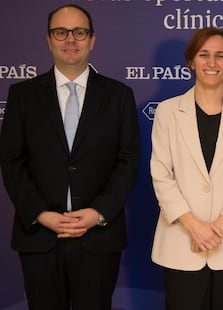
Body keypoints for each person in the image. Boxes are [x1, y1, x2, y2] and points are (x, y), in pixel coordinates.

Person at [0, 4, 140, 310]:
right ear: (49, 40)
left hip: (99, 237)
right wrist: (40, 213)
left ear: (92, 40)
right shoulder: (22, 95)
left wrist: (98, 212)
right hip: (39, 236)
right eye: (60, 32)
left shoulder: (119, 96)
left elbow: (128, 161)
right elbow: (12, 161)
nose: (70, 39)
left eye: (79, 32)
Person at [150, 27, 223, 310]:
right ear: (191, 61)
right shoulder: (167, 111)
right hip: (181, 243)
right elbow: (161, 175)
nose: (211, 63)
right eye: (204, 55)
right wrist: (194, 226)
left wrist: (220, 226)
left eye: (220, 56)